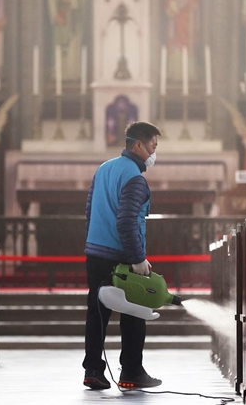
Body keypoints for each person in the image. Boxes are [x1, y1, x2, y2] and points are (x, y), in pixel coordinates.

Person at [83, 121, 162, 390]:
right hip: (121, 254)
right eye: (153, 145)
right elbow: (128, 222)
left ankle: (92, 370)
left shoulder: (103, 169)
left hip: (95, 251)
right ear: (138, 144)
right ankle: (131, 372)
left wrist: (92, 244)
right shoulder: (135, 177)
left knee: (97, 313)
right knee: (135, 311)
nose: (154, 152)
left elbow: (89, 211)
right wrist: (138, 258)